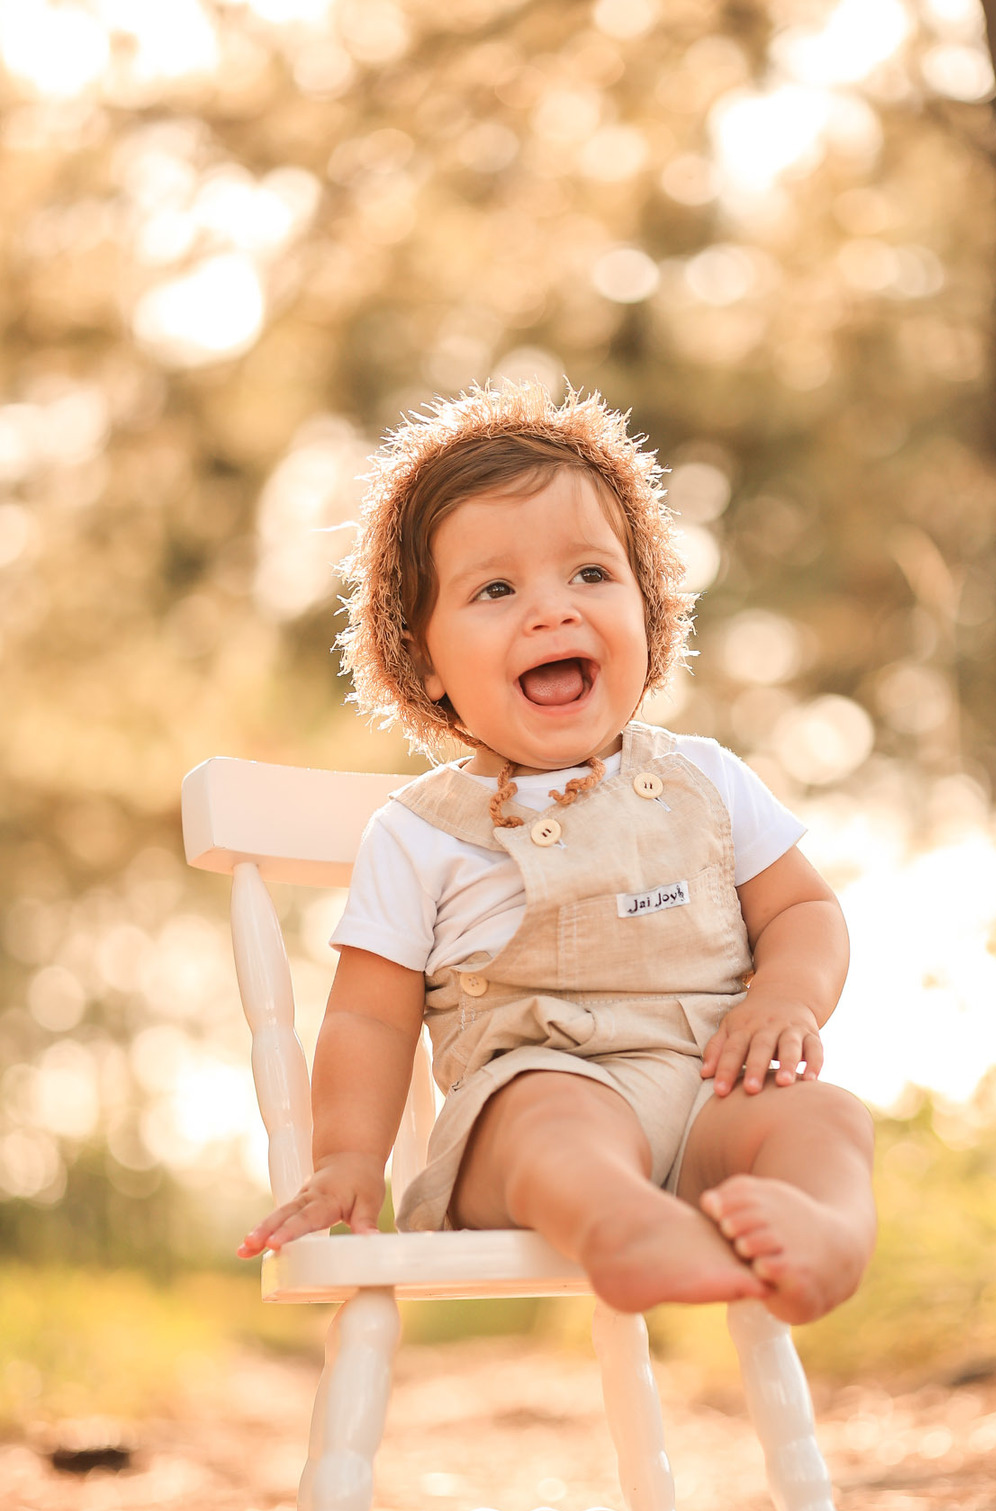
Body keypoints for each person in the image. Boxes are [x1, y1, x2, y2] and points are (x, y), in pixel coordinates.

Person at [238, 385, 876, 1324]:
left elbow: (803, 910)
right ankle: (624, 1226)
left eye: (590, 574)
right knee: (552, 1117)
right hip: (531, 1106)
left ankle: (825, 1231)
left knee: (825, 1117)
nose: (553, 612)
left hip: (711, 1092)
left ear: (648, 608)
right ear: (424, 663)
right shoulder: (420, 834)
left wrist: (784, 997)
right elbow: (368, 1021)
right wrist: (347, 1159)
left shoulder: (705, 780)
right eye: (496, 590)